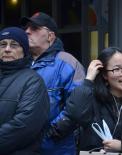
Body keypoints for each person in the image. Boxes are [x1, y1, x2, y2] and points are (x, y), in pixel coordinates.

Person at [20, 12, 85, 155]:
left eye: (34, 28)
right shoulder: (20, 63)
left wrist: (49, 135)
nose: (27, 31)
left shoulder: (67, 63)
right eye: (26, 28)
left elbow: (76, 107)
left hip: (56, 148)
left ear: (50, 36)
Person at [64, 47, 122, 152]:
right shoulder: (93, 98)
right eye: (116, 69)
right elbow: (75, 113)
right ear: (104, 75)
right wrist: (88, 80)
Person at [0, 27, 49, 154]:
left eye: (14, 45)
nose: (7, 49)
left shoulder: (33, 81)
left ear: (24, 51)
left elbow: (24, 126)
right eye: (2, 44)